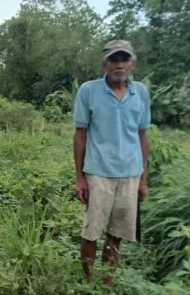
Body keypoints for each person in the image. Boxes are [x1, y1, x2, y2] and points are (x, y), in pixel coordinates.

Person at [72, 40, 150, 285]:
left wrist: (143, 178)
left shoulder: (141, 92)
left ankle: (106, 285)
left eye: (124, 60)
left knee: (116, 235)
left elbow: (142, 135)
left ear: (132, 64)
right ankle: (88, 284)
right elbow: (80, 133)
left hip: (130, 174)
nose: (119, 65)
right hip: (98, 173)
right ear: (105, 64)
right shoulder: (89, 90)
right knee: (91, 233)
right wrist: (80, 177)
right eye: (114, 60)